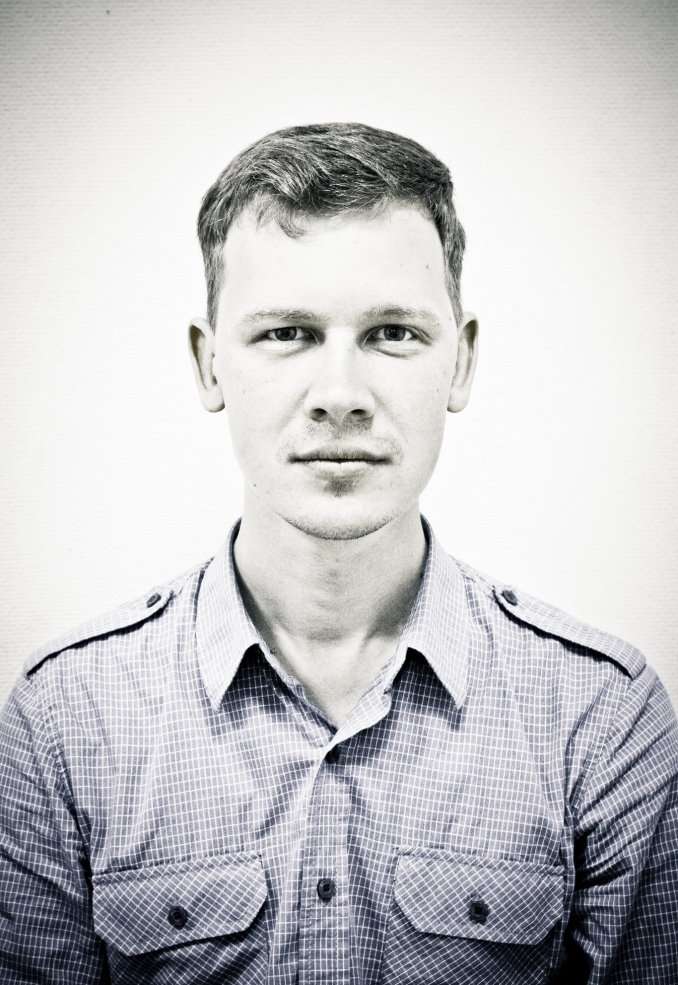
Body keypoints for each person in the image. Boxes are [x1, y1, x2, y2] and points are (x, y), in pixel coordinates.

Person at [0, 122, 676, 985]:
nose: (341, 396)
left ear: (462, 360)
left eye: (392, 332)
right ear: (209, 365)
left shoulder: (601, 717)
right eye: (287, 333)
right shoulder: (65, 723)